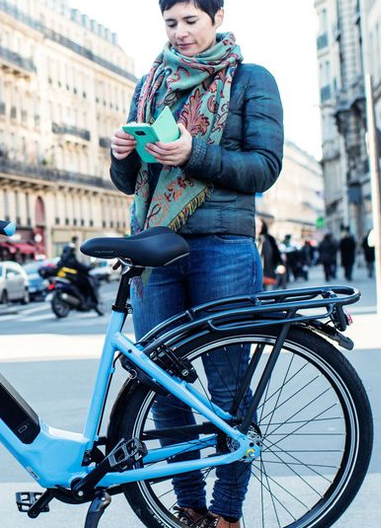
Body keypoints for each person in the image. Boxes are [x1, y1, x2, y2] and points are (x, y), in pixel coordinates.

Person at [109, 1, 283, 525]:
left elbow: (265, 167)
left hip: (223, 246)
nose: (180, 34)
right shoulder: (150, 84)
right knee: (161, 385)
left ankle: (227, 511)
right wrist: (122, 155)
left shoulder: (252, 79)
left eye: (191, 21)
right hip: (155, 246)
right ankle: (187, 506)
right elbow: (132, 183)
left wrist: (193, 154)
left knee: (227, 385)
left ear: (218, 17)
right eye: (171, 23)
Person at [57, 243, 101, 314]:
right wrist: (89, 268)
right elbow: (81, 267)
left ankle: (85, 301)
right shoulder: (71, 258)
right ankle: (88, 302)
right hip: (76, 279)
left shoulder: (61, 259)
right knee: (89, 285)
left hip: (69, 279)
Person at [256, 219, 281, 290]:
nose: (259, 228)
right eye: (257, 226)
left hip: (268, 273)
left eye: (260, 226)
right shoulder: (250, 240)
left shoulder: (269, 238)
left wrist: (279, 264)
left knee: (268, 295)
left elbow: (276, 253)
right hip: (254, 275)